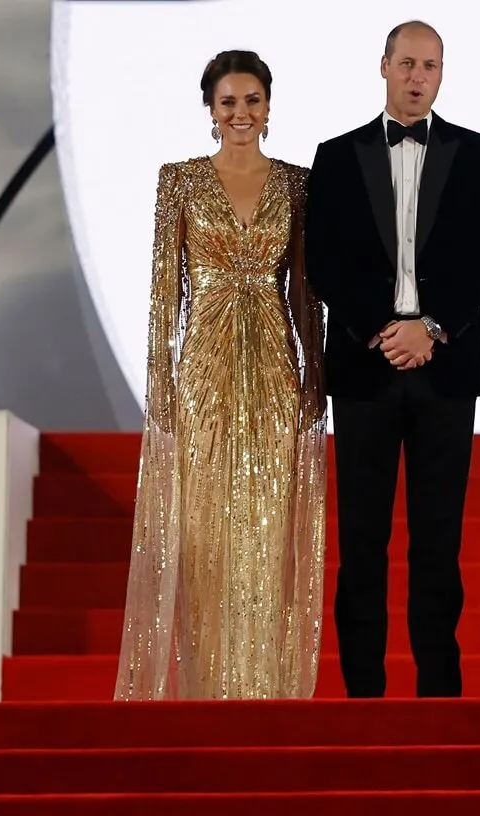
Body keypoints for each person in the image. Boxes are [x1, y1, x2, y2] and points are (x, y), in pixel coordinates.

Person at [303, 21, 480, 698]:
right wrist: (383, 330)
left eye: (432, 66)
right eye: (409, 63)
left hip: (446, 370)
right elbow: (323, 259)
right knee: (361, 540)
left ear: (441, 74)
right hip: (365, 370)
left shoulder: (478, 153)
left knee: (438, 540)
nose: (419, 76)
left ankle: (438, 693)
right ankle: (363, 693)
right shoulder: (335, 157)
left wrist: (433, 326)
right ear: (384, 66)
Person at [115, 50, 328, 700]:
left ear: (269, 107)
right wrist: (160, 383)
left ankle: (266, 690)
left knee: (265, 528)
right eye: (229, 101)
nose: (241, 113)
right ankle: (209, 690)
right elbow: (163, 295)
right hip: (203, 367)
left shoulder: (298, 183)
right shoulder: (177, 180)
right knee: (205, 532)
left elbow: (305, 291)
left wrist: (316, 376)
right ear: (210, 108)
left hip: (272, 364)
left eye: (253, 100)